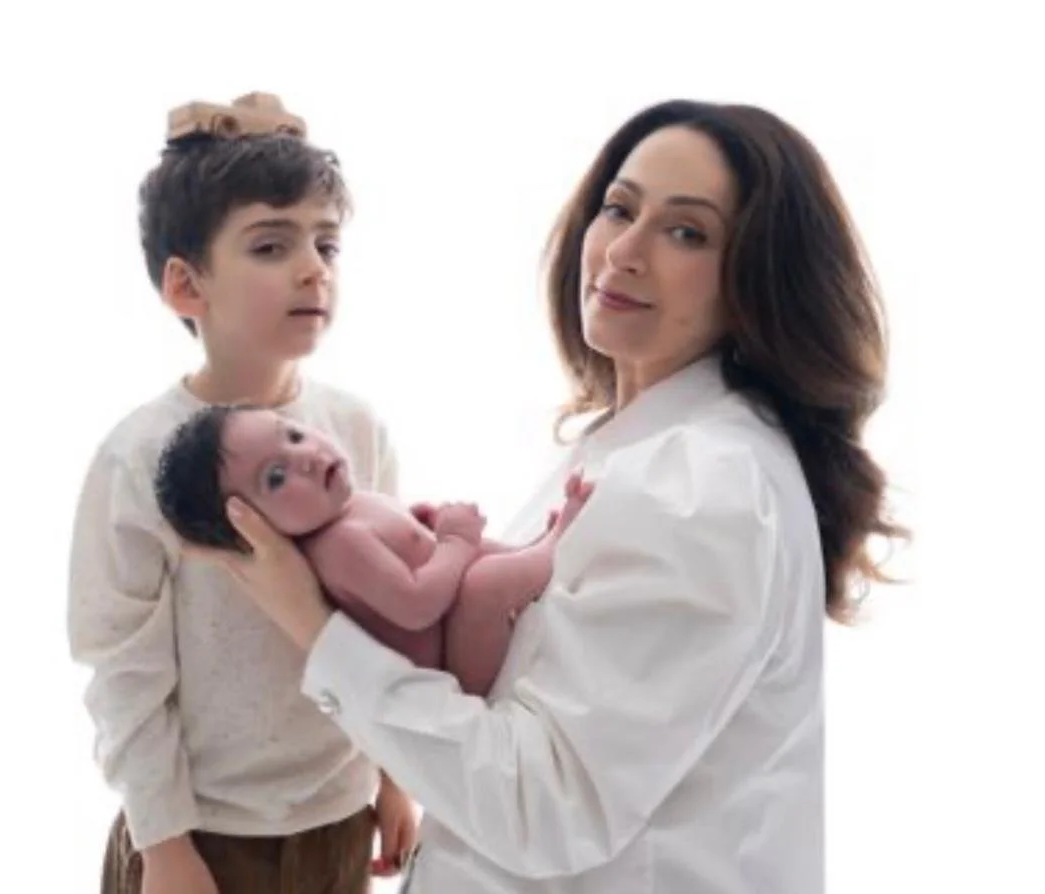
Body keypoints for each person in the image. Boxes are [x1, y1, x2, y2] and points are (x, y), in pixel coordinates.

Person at [185, 98, 909, 893]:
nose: (623, 251)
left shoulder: (699, 489)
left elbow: (544, 806)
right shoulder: (632, 444)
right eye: (618, 209)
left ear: (756, 281)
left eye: (685, 233)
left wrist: (314, 629)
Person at [67, 95, 417, 894]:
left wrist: (395, 775)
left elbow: (389, 618)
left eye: (326, 243)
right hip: (200, 838)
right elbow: (123, 671)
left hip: (337, 821)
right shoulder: (139, 456)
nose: (313, 268)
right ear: (186, 286)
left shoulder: (354, 429)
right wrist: (164, 846)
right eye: (270, 245)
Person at [153, 404, 596, 697]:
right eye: (275, 477)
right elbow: (417, 605)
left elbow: (419, 561)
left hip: (459, 630)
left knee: (475, 562)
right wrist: (454, 542)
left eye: (293, 435)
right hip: (460, 668)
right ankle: (554, 549)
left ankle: (528, 551)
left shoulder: (351, 506)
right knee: (480, 583)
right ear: (252, 526)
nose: (305, 457)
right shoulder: (337, 545)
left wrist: (420, 530)